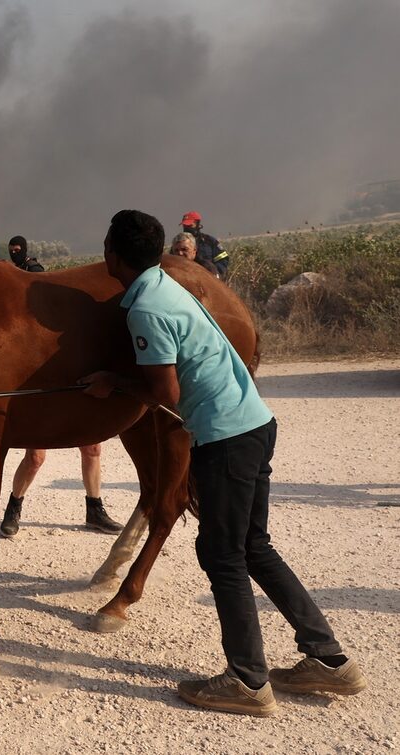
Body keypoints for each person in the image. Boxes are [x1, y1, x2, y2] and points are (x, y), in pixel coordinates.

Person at [82, 209, 366, 717]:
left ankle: (248, 681)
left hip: (226, 438)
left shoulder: (145, 308)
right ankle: (329, 660)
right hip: (255, 423)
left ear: (111, 254)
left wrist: (113, 383)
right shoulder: (170, 287)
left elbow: (163, 392)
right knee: (254, 547)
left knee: (224, 556)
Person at [0, 235, 123, 537]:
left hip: (75, 384)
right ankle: (14, 507)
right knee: (36, 457)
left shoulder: (69, 320)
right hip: (47, 386)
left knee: (92, 449)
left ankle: (94, 509)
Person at [180, 211, 229, 278]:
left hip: (209, 280)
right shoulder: (178, 244)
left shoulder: (209, 241)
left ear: (198, 224)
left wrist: (215, 273)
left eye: (190, 225)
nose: (187, 228)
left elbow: (223, 259)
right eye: (185, 226)